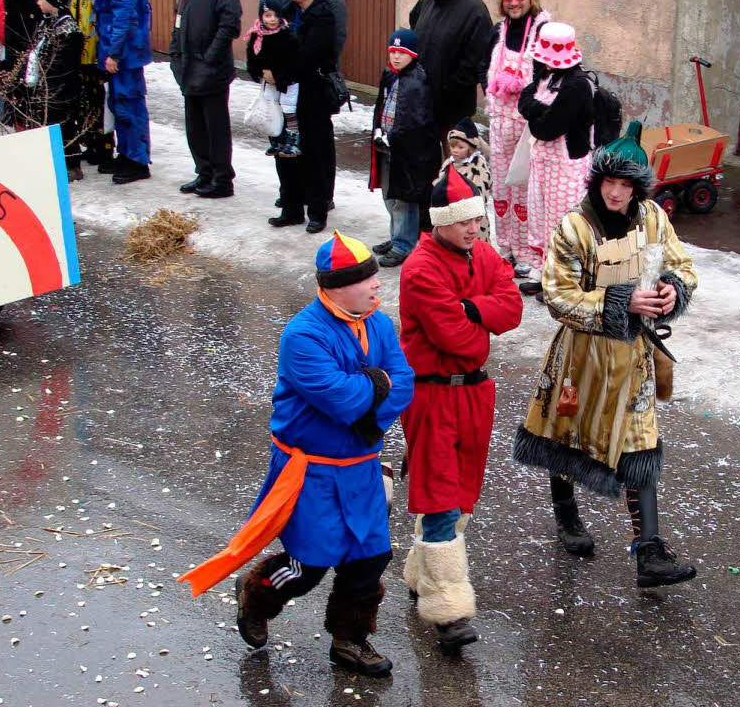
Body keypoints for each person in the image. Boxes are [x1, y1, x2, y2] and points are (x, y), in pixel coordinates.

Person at [179, 231, 414, 677]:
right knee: (311, 561)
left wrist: (374, 396)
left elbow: (403, 380)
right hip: (311, 472)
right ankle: (259, 593)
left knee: (370, 557)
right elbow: (342, 399)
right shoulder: (303, 335)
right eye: (367, 279)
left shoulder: (380, 324)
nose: (378, 285)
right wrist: (377, 388)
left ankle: (350, 640)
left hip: (360, 465)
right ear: (338, 286)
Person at [513, 122, 700, 588]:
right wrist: (621, 301)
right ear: (596, 181)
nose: (616, 192)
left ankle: (649, 550)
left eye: (625, 184)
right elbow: (557, 296)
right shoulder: (573, 227)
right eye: (608, 182)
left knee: (641, 441)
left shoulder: (653, 217)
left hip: (633, 356)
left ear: (638, 187)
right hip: (581, 356)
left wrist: (672, 292)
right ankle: (567, 517)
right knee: (565, 431)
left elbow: (682, 266)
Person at [398, 165, 522, 653]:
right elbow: (460, 343)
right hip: (431, 395)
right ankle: (447, 608)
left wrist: (470, 307)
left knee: (462, 492)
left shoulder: (483, 254)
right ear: (438, 223)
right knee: (441, 494)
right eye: (464, 221)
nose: (475, 228)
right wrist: (480, 310)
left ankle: (420, 572)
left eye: (477, 218)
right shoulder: (420, 268)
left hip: (473, 394)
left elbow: (511, 308)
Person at [480, 0, 550, 276]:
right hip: (500, 122)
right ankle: (505, 247)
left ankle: (528, 254)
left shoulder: (543, 30)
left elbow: (550, 79)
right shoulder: (499, 30)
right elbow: (483, 68)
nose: (512, 1)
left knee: (527, 192)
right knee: (503, 191)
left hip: (528, 127)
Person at [517, 21, 595, 296]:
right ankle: (544, 273)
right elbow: (524, 99)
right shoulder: (547, 75)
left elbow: (547, 128)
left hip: (566, 167)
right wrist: (538, 110)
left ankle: (563, 283)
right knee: (539, 219)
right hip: (542, 162)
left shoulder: (577, 86)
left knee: (562, 225)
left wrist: (534, 113)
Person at [273, 0, 346, 213]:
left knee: (318, 146)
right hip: (290, 86)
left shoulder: (329, 4)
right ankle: (293, 197)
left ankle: (320, 198)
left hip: (314, 84)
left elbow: (330, 44)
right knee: (290, 143)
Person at [169, 0, 241, 199]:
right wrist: (175, 52)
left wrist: (209, 58)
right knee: (195, 127)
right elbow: (178, 17)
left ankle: (222, 180)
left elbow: (230, 24)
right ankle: (204, 172)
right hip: (188, 68)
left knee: (215, 127)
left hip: (211, 72)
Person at [268, 0, 336, 234]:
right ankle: (291, 208)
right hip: (285, 94)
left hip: (312, 96)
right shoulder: (288, 10)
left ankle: (317, 212)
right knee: (285, 150)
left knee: (314, 154)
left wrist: (279, 72)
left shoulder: (323, 16)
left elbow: (308, 57)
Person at [367, 28, 439, 267]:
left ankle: (404, 243)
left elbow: (417, 120)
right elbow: (383, 106)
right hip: (387, 147)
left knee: (403, 199)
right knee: (389, 195)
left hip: (406, 153)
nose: (396, 56)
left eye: (402, 52)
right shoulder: (390, 75)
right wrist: (379, 130)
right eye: (393, 51)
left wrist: (396, 137)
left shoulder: (418, 81)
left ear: (413, 54)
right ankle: (396, 234)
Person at [408, 0, 491, 149]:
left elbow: (474, 64)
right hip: (421, 100)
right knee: (422, 160)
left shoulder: (475, 11)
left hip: (451, 111)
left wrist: (445, 90)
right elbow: (413, 21)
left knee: (452, 166)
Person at [92, 0, 152, 184]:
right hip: (122, 49)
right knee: (119, 103)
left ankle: (137, 160)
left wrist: (114, 53)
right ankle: (127, 154)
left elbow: (124, 14)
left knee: (129, 104)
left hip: (125, 52)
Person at [22, 0, 82, 176]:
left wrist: (50, 85)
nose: (38, 3)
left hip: (61, 88)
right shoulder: (47, 23)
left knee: (63, 126)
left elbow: (63, 66)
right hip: (47, 85)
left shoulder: (68, 30)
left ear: (53, 0)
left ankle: (71, 165)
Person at [245, 0, 302, 158]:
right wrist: (259, 72)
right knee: (270, 106)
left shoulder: (286, 36)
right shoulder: (256, 35)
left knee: (288, 108)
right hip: (268, 80)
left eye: (276, 16)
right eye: (268, 15)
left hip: (288, 80)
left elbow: (292, 61)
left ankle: (293, 139)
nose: (272, 20)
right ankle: (275, 138)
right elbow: (252, 58)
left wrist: (278, 76)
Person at [70, 0, 113, 167]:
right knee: (86, 98)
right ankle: (92, 143)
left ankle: (105, 148)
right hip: (82, 45)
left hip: (99, 46)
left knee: (101, 99)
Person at [435, 117, 492, 243]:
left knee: (475, 249)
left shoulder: (477, 165)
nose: (455, 150)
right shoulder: (449, 163)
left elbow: (481, 193)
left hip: (472, 219)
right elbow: (439, 184)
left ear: (470, 147)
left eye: (460, 147)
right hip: (450, 217)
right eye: (452, 146)